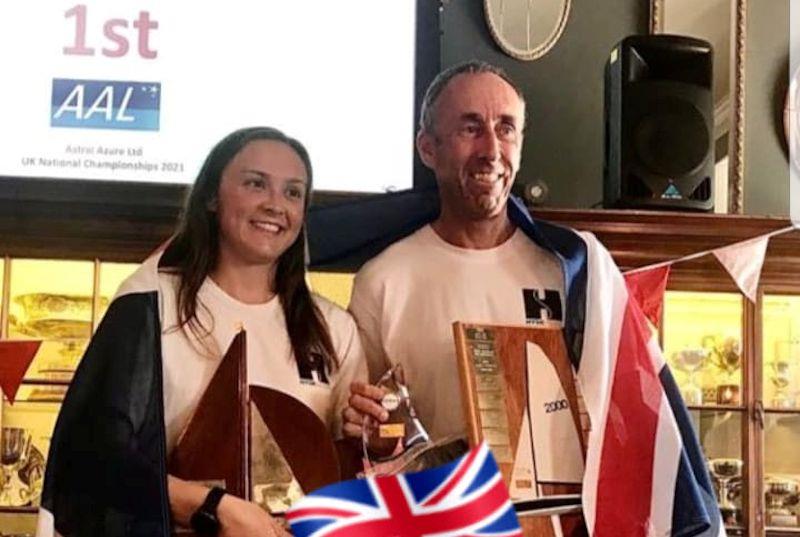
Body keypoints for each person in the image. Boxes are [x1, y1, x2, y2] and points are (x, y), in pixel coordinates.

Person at [341, 61, 723, 536]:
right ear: (427, 148)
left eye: (506, 128)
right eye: (469, 128)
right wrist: (376, 436)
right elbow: (378, 440)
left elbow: (640, 410)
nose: (491, 149)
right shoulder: (383, 281)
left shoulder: (577, 267)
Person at [37, 127, 366, 537]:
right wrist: (213, 509)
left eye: (293, 192)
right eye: (255, 183)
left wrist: (372, 438)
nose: (275, 205)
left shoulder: (334, 329)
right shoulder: (151, 302)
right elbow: (92, 457)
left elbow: (350, 475)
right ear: (212, 196)